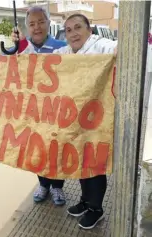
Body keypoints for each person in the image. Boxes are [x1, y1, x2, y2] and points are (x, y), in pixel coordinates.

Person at [12, 13, 117, 230]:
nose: (73, 33)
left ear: (90, 30)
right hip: (78, 123)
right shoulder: (66, 52)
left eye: (78, 27)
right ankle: (86, 201)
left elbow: (125, 53)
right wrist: (22, 42)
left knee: (95, 164)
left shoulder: (104, 46)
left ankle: (96, 209)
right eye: (68, 30)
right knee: (82, 161)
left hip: (99, 122)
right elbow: (39, 62)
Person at [11, 6, 67, 206]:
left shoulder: (63, 46)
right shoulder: (22, 49)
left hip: (58, 111)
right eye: (32, 24)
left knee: (57, 149)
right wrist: (17, 47)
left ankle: (58, 187)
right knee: (37, 150)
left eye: (41, 22)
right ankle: (43, 184)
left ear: (48, 23)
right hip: (33, 112)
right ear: (26, 27)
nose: (37, 27)